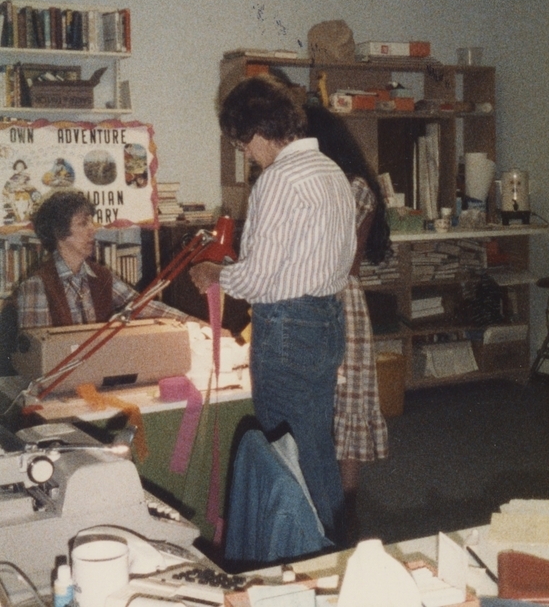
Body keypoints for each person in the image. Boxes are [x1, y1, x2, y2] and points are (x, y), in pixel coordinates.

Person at [190, 75, 356, 544]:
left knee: (287, 453)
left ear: (261, 131)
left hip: (287, 326)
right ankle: (329, 547)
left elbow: (258, 279)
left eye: (243, 143)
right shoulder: (330, 171)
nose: (246, 153)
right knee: (315, 445)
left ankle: (313, 554)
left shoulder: (279, 180)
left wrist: (216, 274)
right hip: (325, 321)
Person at [304, 102, 391, 533]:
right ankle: (326, 502)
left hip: (341, 300)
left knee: (349, 404)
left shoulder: (352, 187)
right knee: (325, 405)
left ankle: (346, 511)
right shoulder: (337, 182)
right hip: (322, 296)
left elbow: (326, 248)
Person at [17, 189, 188, 329]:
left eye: (91, 222)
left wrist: (191, 322)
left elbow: (141, 305)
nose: (93, 229)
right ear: (59, 232)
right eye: (83, 223)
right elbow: (39, 356)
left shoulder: (101, 276)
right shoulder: (37, 285)